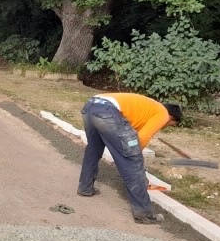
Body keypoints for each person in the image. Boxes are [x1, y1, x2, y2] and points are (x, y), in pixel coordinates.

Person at [77, 93, 182, 224]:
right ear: (171, 117)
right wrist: (134, 155)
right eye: (171, 124)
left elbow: (129, 133)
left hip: (91, 105)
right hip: (108, 111)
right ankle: (144, 214)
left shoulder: (149, 107)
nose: (167, 126)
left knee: (93, 150)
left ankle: (85, 188)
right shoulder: (163, 114)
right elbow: (143, 137)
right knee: (133, 163)